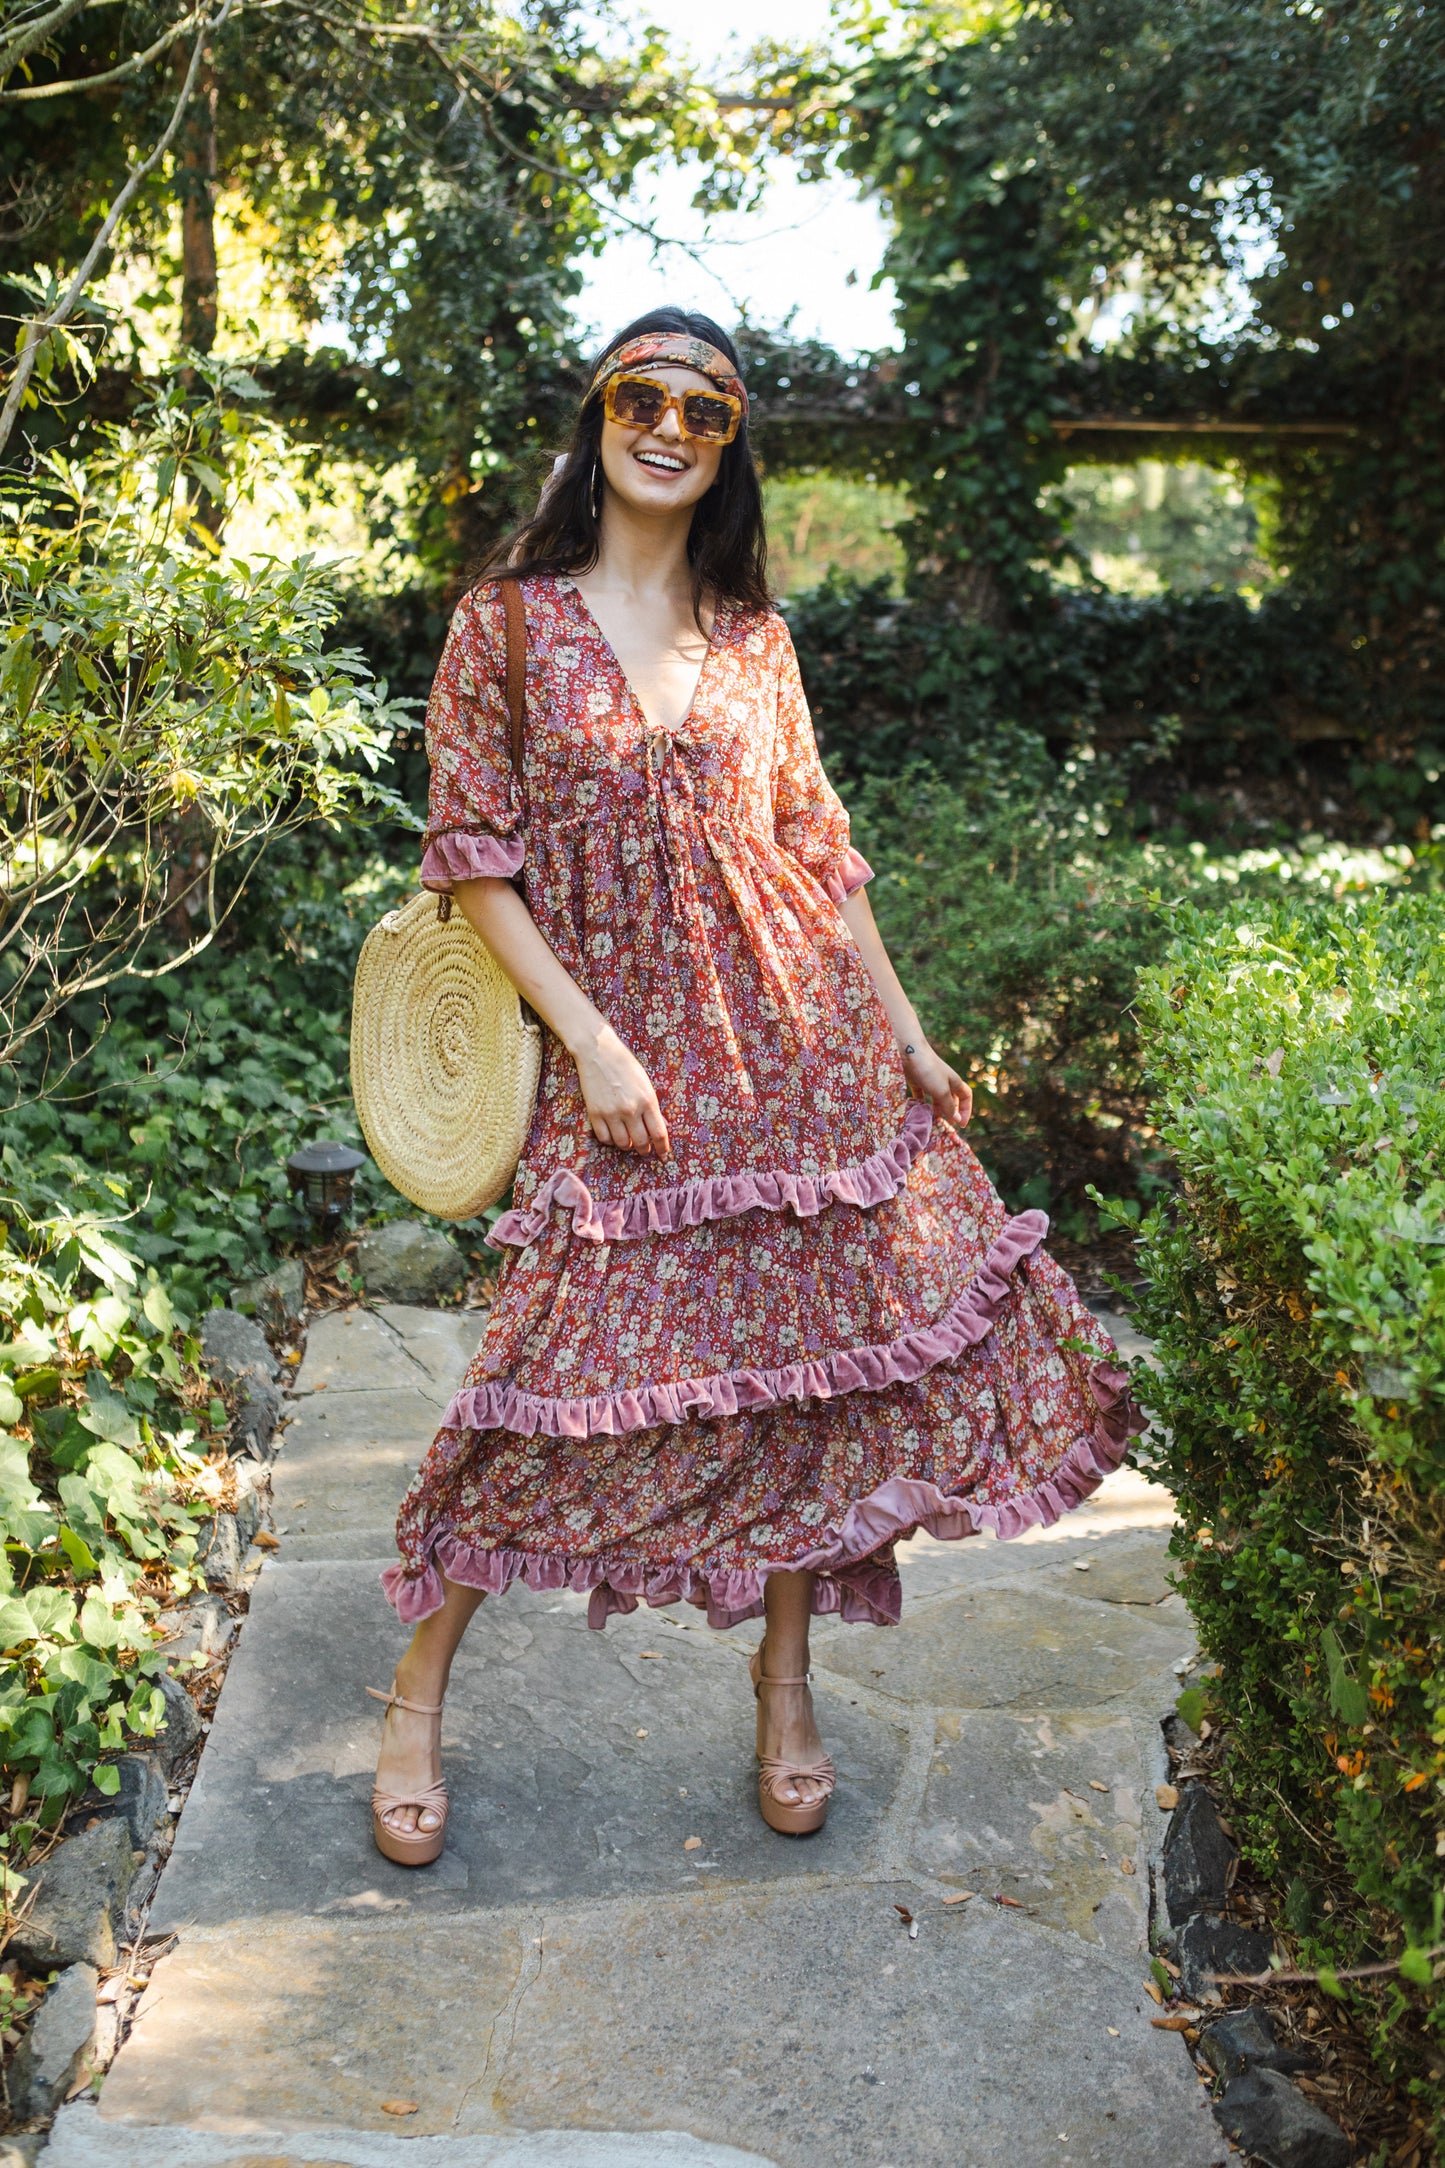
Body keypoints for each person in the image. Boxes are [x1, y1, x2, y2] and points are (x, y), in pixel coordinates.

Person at [368, 307, 1140, 1865]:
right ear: (595, 418)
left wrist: (907, 1030)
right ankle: (414, 1695)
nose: (668, 424)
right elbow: (474, 864)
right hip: (625, 1067)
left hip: (795, 1057)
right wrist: (586, 1042)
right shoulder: (503, 626)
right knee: (540, 1381)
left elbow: (816, 851)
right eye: (639, 397)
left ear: (727, 449)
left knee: (813, 1378)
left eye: (703, 411)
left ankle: (786, 1685)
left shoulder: (753, 636)